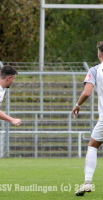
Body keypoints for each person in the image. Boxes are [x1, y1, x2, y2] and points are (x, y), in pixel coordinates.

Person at [72, 41, 103, 196]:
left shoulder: (95, 70)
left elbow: (86, 93)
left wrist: (77, 104)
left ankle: (88, 183)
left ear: (99, 54)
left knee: (92, 146)